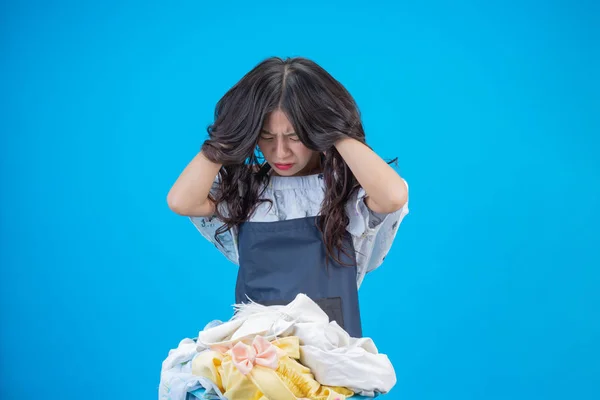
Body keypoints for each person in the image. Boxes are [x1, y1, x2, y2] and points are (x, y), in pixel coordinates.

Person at [167, 56, 409, 338]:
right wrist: (227, 135)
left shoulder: (346, 191)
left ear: (320, 133)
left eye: (295, 136)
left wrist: (334, 129)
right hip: (259, 352)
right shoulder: (246, 190)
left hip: (331, 348)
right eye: (266, 136)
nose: (280, 152)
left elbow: (393, 196)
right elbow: (181, 201)